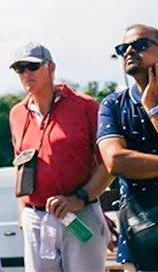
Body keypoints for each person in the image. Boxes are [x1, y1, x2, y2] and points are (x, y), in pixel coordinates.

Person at [8, 42, 111, 271]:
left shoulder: (85, 105)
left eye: (32, 67)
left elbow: (108, 163)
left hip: (79, 213)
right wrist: (22, 213)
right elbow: (20, 165)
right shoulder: (16, 114)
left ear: (51, 68)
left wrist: (80, 198)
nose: (25, 73)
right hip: (35, 217)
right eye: (19, 69)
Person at [97, 25, 158, 270]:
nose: (129, 51)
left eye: (140, 45)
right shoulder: (113, 104)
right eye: (122, 48)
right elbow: (115, 161)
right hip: (141, 233)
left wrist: (152, 107)